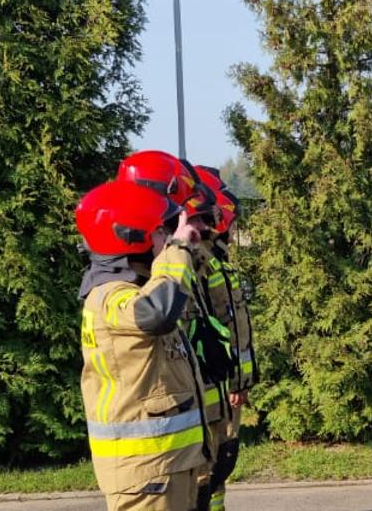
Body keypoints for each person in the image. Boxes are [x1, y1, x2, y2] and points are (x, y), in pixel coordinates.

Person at [75, 179, 206, 511]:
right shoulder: (109, 297)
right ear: (132, 238)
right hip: (147, 472)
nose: (165, 240)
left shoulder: (132, 290)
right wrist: (176, 251)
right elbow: (157, 312)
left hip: (164, 465)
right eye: (160, 232)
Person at [120, 151, 231, 511]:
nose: (184, 222)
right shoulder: (129, 279)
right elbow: (161, 313)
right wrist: (179, 247)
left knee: (208, 481)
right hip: (152, 451)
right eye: (177, 212)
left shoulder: (169, 256)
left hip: (181, 422)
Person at [191, 165, 252, 511]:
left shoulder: (218, 257)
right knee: (208, 471)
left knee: (220, 467)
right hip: (213, 384)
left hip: (227, 382)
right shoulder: (201, 260)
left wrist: (240, 379)